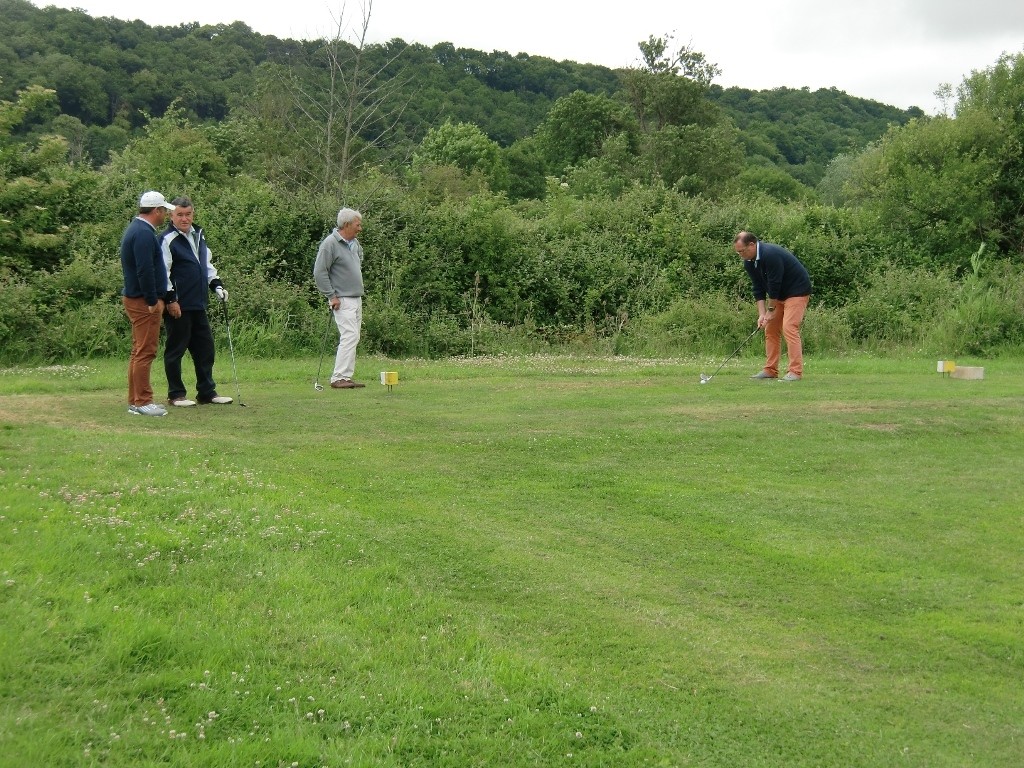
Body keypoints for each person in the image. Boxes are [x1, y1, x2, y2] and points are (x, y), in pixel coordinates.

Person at [160, 196, 233, 406]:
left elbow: (206, 265)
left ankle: (206, 392)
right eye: (180, 215)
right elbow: (163, 272)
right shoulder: (166, 239)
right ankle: (176, 394)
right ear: (171, 215)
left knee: (205, 348)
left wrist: (217, 286)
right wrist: (171, 299)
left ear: (193, 214)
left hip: (198, 302)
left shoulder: (199, 235)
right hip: (178, 304)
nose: (184, 219)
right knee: (176, 350)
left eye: (188, 214)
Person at [120, 190, 175, 416]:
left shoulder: (138, 229)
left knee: (138, 351)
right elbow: (145, 270)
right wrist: (152, 300)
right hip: (143, 301)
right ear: (156, 211)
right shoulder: (143, 233)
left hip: (137, 298)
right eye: (164, 211)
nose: (165, 215)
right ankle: (142, 401)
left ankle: (136, 401)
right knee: (145, 351)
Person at [733, 231, 812, 381]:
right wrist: (762, 314)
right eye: (738, 253)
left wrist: (770, 310)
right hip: (779, 296)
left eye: (742, 251)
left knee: (789, 327)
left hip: (797, 291)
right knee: (770, 329)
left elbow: (775, 284)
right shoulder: (749, 262)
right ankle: (770, 370)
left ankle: (795, 372)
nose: (740, 255)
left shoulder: (770, 254)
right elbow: (758, 288)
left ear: (752, 245)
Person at [313, 208, 366, 389]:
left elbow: (358, 262)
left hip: (356, 297)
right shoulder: (330, 244)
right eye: (357, 225)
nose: (360, 228)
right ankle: (338, 378)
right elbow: (320, 272)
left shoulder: (355, 244)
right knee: (349, 335)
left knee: (354, 336)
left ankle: (346, 377)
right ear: (347, 224)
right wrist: (331, 295)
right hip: (341, 299)